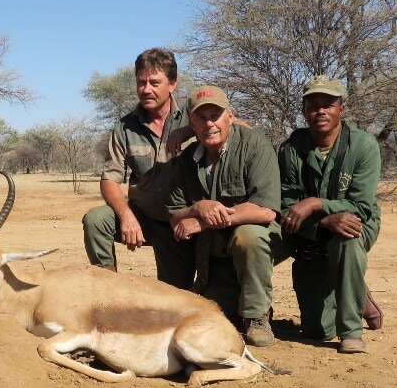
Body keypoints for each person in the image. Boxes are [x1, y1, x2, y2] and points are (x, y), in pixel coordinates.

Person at [167, 85, 282, 347]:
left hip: (258, 241)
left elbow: (265, 209)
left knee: (248, 235)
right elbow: (174, 214)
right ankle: (233, 296)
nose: (209, 124)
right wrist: (197, 208)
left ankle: (257, 316)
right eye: (201, 118)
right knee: (212, 318)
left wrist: (201, 221)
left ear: (230, 116)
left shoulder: (255, 145)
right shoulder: (187, 159)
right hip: (215, 253)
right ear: (192, 124)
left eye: (215, 115)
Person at [277, 76, 382, 354]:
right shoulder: (290, 148)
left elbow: (361, 206)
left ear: (341, 110)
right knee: (316, 330)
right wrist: (322, 218)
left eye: (328, 105)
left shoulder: (364, 145)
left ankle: (351, 331)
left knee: (346, 239)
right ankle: (357, 290)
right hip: (311, 228)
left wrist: (316, 203)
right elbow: (285, 199)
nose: (320, 111)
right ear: (304, 111)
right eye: (313, 106)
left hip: (356, 223)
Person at [82, 48, 197, 289]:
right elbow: (109, 180)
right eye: (141, 82)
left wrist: (191, 129)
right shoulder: (124, 127)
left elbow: (234, 124)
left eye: (155, 82)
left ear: (173, 84)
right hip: (142, 216)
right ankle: (107, 292)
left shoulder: (194, 112)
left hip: (181, 221)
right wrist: (126, 216)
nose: (146, 89)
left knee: (174, 297)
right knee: (96, 220)